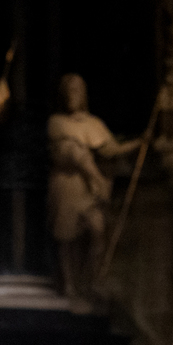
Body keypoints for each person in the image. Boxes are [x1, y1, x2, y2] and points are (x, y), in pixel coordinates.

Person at [47, 73, 141, 299]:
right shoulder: (57, 122)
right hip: (67, 184)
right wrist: (96, 177)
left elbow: (110, 149)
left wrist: (139, 142)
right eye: (69, 90)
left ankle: (94, 278)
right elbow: (67, 153)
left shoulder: (93, 124)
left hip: (86, 190)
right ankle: (69, 283)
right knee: (67, 237)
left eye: (77, 90)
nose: (73, 95)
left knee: (97, 228)